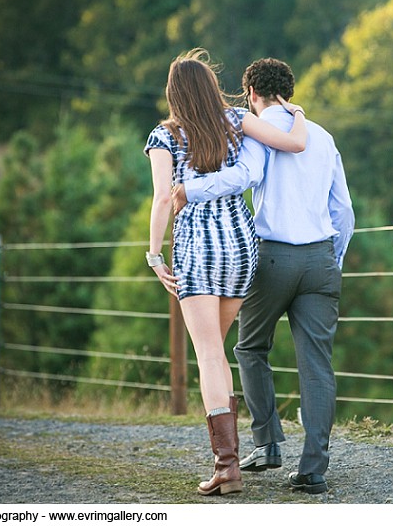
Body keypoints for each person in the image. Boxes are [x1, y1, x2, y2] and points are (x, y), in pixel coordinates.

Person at [173, 57, 355, 495]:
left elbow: (246, 175)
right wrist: (332, 260)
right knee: (316, 362)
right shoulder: (322, 137)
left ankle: (267, 443)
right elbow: (344, 210)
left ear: (251, 94)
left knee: (250, 346)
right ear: (287, 92)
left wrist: (188, 190)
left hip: (273, 257)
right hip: (320, 259)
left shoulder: (256, 131)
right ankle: (314, 468)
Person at [145, 48, 308, 496]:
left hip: (197, 250)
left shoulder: (165, 135)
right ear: (212, 87)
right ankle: (229, 461)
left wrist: (155, 255)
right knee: (217, 348)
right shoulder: (236, 119)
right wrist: (295, 111)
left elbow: (163, 199)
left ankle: (227, 468)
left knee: (210, 355)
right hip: (240, 247)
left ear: (175, 94)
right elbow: (295, 143)